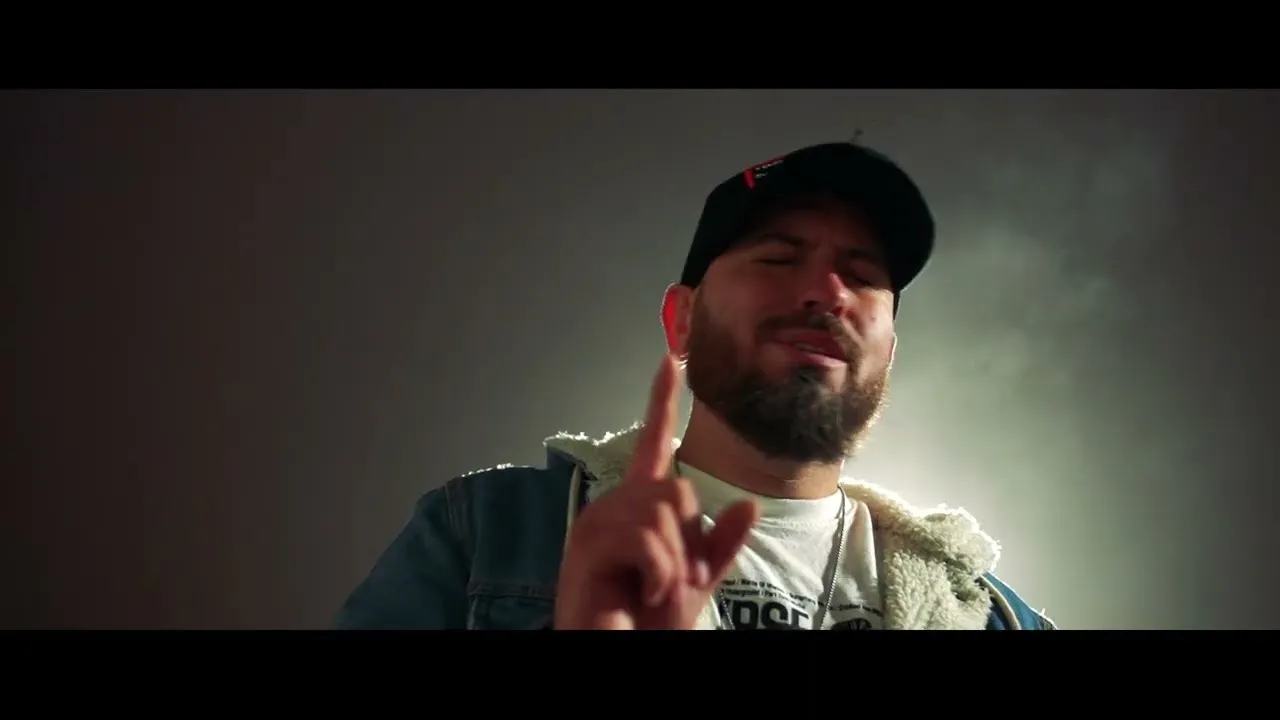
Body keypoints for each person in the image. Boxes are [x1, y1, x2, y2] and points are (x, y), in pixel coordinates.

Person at [334, 140, 1057, 630]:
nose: (829, 291)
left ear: (888, 351)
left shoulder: (991, 614)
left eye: (863, 274)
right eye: (780, 258)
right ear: (681, 320)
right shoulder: (489, 533)